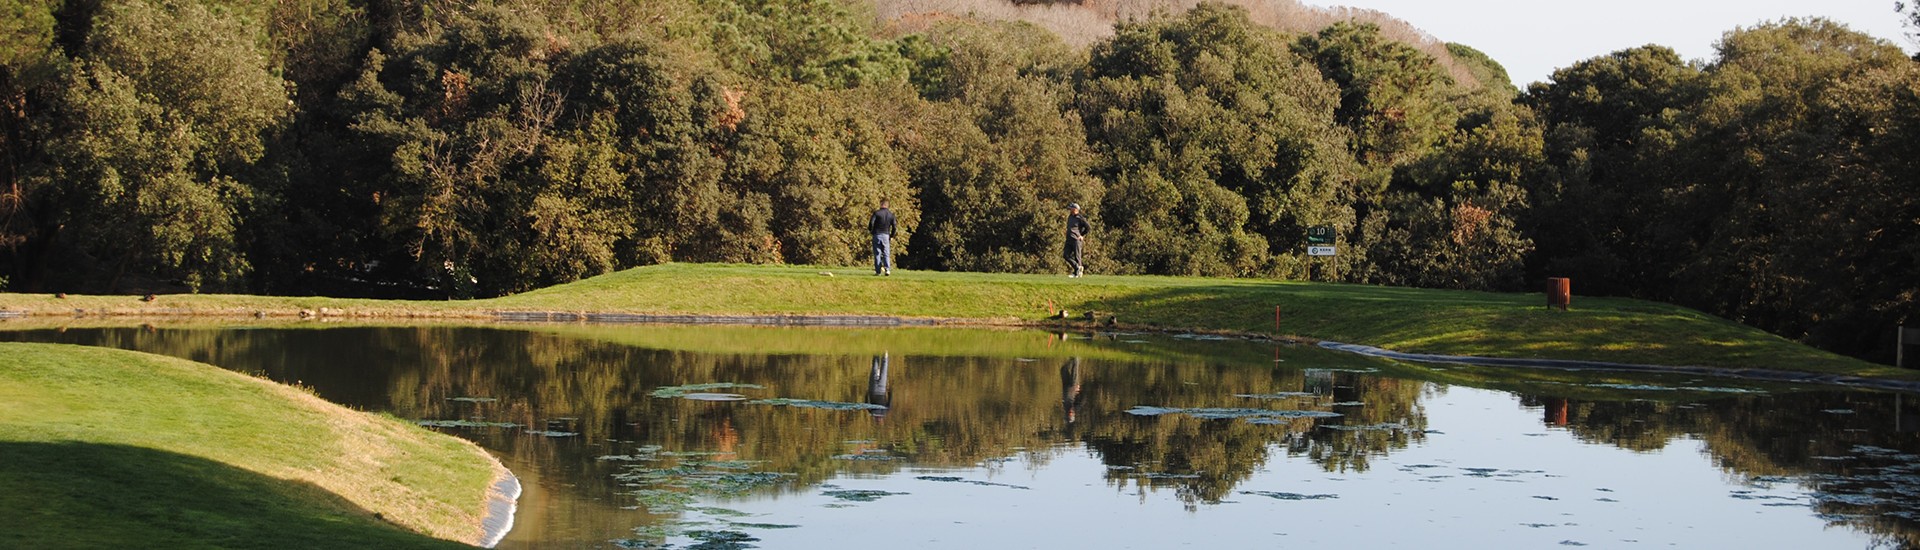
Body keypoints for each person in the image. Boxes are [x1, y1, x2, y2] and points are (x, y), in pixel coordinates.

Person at [870, 199, 897, 276]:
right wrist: (892, 235)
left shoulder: (877, 213)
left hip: (877, 234)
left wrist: (871, 231)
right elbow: (894, 227)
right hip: (886, 235)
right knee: (886, 253)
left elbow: (871, 223)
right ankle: (887, 269)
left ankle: (878, 271)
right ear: (887, 205)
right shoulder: (891, 215)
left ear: (881, 204)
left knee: (877, 253)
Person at [1063, 203, 1089, 277]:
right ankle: (1077, 268)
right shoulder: (1070, 216)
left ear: (1075, 209)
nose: (1070, 209)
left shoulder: (1080, 218)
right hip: (1069, 239)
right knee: (1066, 255)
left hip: (1076, 240)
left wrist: (1081, 235)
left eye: (1071, 208)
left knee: (1077, 256)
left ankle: (1077, 273)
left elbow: (1088, 228)